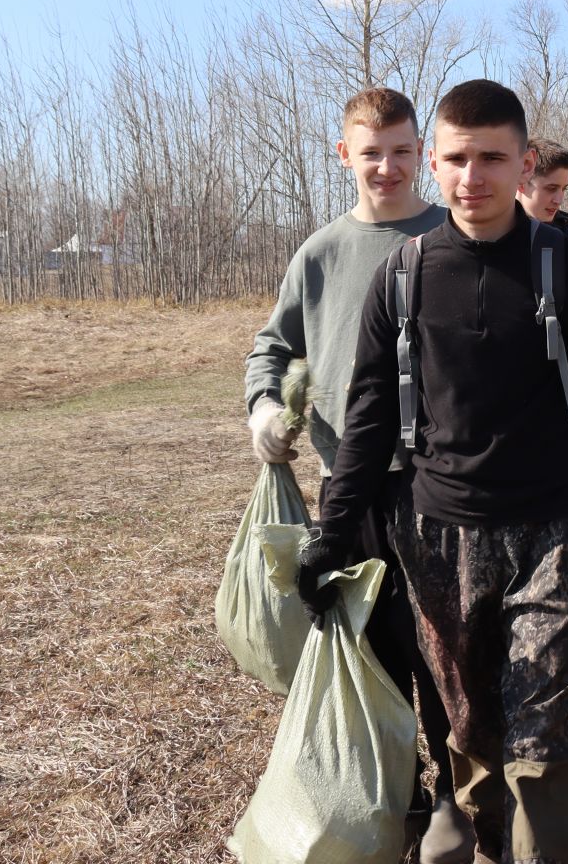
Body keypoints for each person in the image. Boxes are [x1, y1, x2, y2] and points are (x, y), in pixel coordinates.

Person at [300, 79, 568, 864]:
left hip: (558, 537)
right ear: (435, 162)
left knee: (548, 737)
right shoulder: (402, 278)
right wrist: (331, 532)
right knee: (471, 733)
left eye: (492, 158)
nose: (471, 177)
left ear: (522, 162)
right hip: (436, 542)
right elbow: (369, 419)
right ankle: (493, 847)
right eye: (456, 158)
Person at [242, 85, 474, 862]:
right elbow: (272, 349)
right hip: (351, 492)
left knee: (443, 649)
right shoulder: (320, 253)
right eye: (370, 152)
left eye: (403, 151)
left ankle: (454, 797)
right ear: (345, 155)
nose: (388, 166)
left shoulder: (453, 237)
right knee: (372, 653)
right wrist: (265, 409)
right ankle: (391, 798)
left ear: (424, 157)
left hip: (442, 488)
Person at [518, 137, 568, 247]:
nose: (559, 200)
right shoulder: (491, 235)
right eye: (551, 188)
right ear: (521, 183)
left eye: (564, 189)